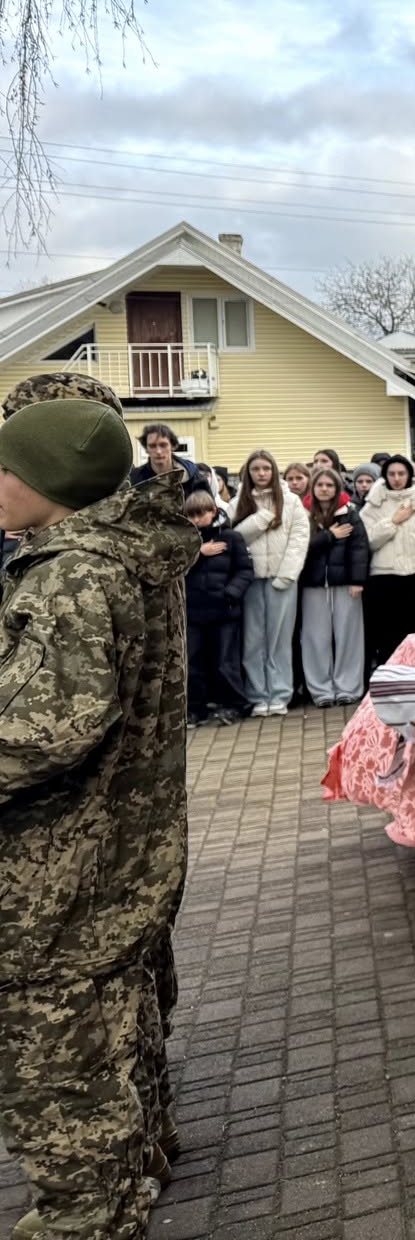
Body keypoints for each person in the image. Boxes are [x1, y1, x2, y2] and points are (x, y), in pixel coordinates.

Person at [0, 397, 199, 1239]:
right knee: (117, 1020)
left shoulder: (75, 575)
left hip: (59, 868)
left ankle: (89, 1215)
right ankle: (137, 1162)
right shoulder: (123, 551)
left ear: (51, 482)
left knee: (60, 1066)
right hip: (115, 849)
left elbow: (42, 733)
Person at [231, 450, 309, 718]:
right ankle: (257, 694)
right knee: (253, 641)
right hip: (250, 580)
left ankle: (279, 693)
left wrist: (287, 574)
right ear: (248, 472)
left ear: (274, 471)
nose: (261, 473)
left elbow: (299, 539)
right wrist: (261, 518)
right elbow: (233, 537)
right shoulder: (237, 501)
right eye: (256, 469)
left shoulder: (290, 501)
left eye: (266, 468)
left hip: (281, 579)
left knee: (278, 640)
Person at [360, 456, 415, 670]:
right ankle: (389, 677)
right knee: (386, 634)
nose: (396, 479)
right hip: (383, 577)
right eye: (391, 474)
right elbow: (366, 541)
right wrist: (392, 521)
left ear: (409, 475)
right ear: (385, 476)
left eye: (401, 474)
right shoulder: (372, 504)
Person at [184, 489, 253, 726]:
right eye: (191, 516)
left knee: (225, 662)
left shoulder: (231, 537)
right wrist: (197, 553)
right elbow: (174, 568)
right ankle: (196, 708)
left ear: (213, 512)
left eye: (201, 514)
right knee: (193, 663)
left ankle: (235, 705)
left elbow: (244, 570)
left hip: (224, 611)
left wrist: (230, 594)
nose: (196, 520)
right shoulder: (186, 542)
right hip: (193, 612)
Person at [300, 468, 367, 708]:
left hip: (345, 584)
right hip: (313, 584)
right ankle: (321, 689)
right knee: (315, 638)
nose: (325, 489)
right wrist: (328, 535)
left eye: (330, 485)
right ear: (314, 488)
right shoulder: (303, 513)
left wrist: (358, 580)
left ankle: (348, 687)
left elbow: (359, 547)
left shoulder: (350, 513)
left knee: (348, 635)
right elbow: (301, 547)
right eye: (320, 485)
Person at [130, 423, 201, 490]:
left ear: (172, 446)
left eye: (163, 445)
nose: (158, 451)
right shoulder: (136, 479)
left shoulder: (192, 475)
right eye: (152, 446)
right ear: (146, 449)